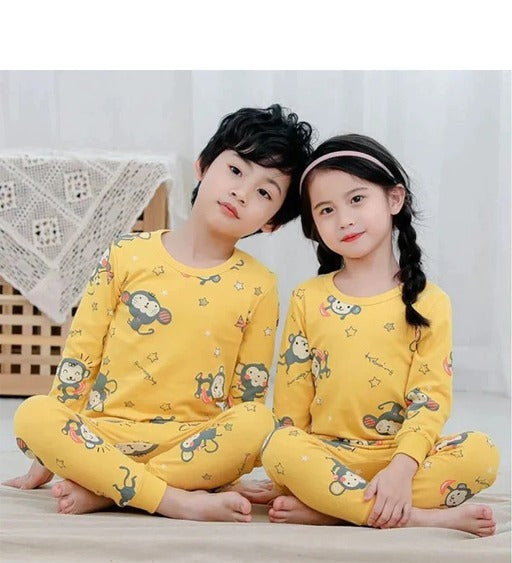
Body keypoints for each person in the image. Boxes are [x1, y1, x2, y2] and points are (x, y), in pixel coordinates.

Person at [2, 104, 313, 523]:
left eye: (264, 193)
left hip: (189, 443)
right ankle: (174, 498)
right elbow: (81, 355)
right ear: (203, 166)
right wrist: (46, 456)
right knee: (33, 414)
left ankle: (109, 489)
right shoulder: (126, 254)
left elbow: (248, 392)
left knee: (257, 422)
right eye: (236, 171)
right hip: (105, 435)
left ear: (272, 222)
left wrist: (227, 467)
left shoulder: (260, 285)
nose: (242, 192)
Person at [241, 134, 500, 536]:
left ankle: (332, 506)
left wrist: (402, 467)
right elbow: (292, 400)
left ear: (394, 199)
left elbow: (429, 399)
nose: (344, 219)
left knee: (481, 454)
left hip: (400, 458)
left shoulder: (430, 302)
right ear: (315, 227)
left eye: (357, 199)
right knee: (279, 447)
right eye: (327, 210)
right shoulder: (308, 298)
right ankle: (411, 516)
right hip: (326, 455)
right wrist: (289, 472)